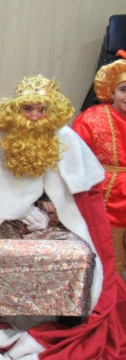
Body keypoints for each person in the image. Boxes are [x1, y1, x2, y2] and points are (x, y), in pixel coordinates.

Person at [0, 75, 126, 359]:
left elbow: (81, 194)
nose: (35, 116)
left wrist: (50, 212)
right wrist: (19, 210)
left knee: (79, 254)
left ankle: (67, 315)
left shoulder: (64, 137)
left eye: (42, 109)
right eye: (27, 108)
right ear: (15, 109)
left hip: (55, 219)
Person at [73, 54, 126, 280]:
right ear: (112, 92)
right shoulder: (92, 118)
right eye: (124, 89)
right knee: (107, 263)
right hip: (105, 197)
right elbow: (74, 161)